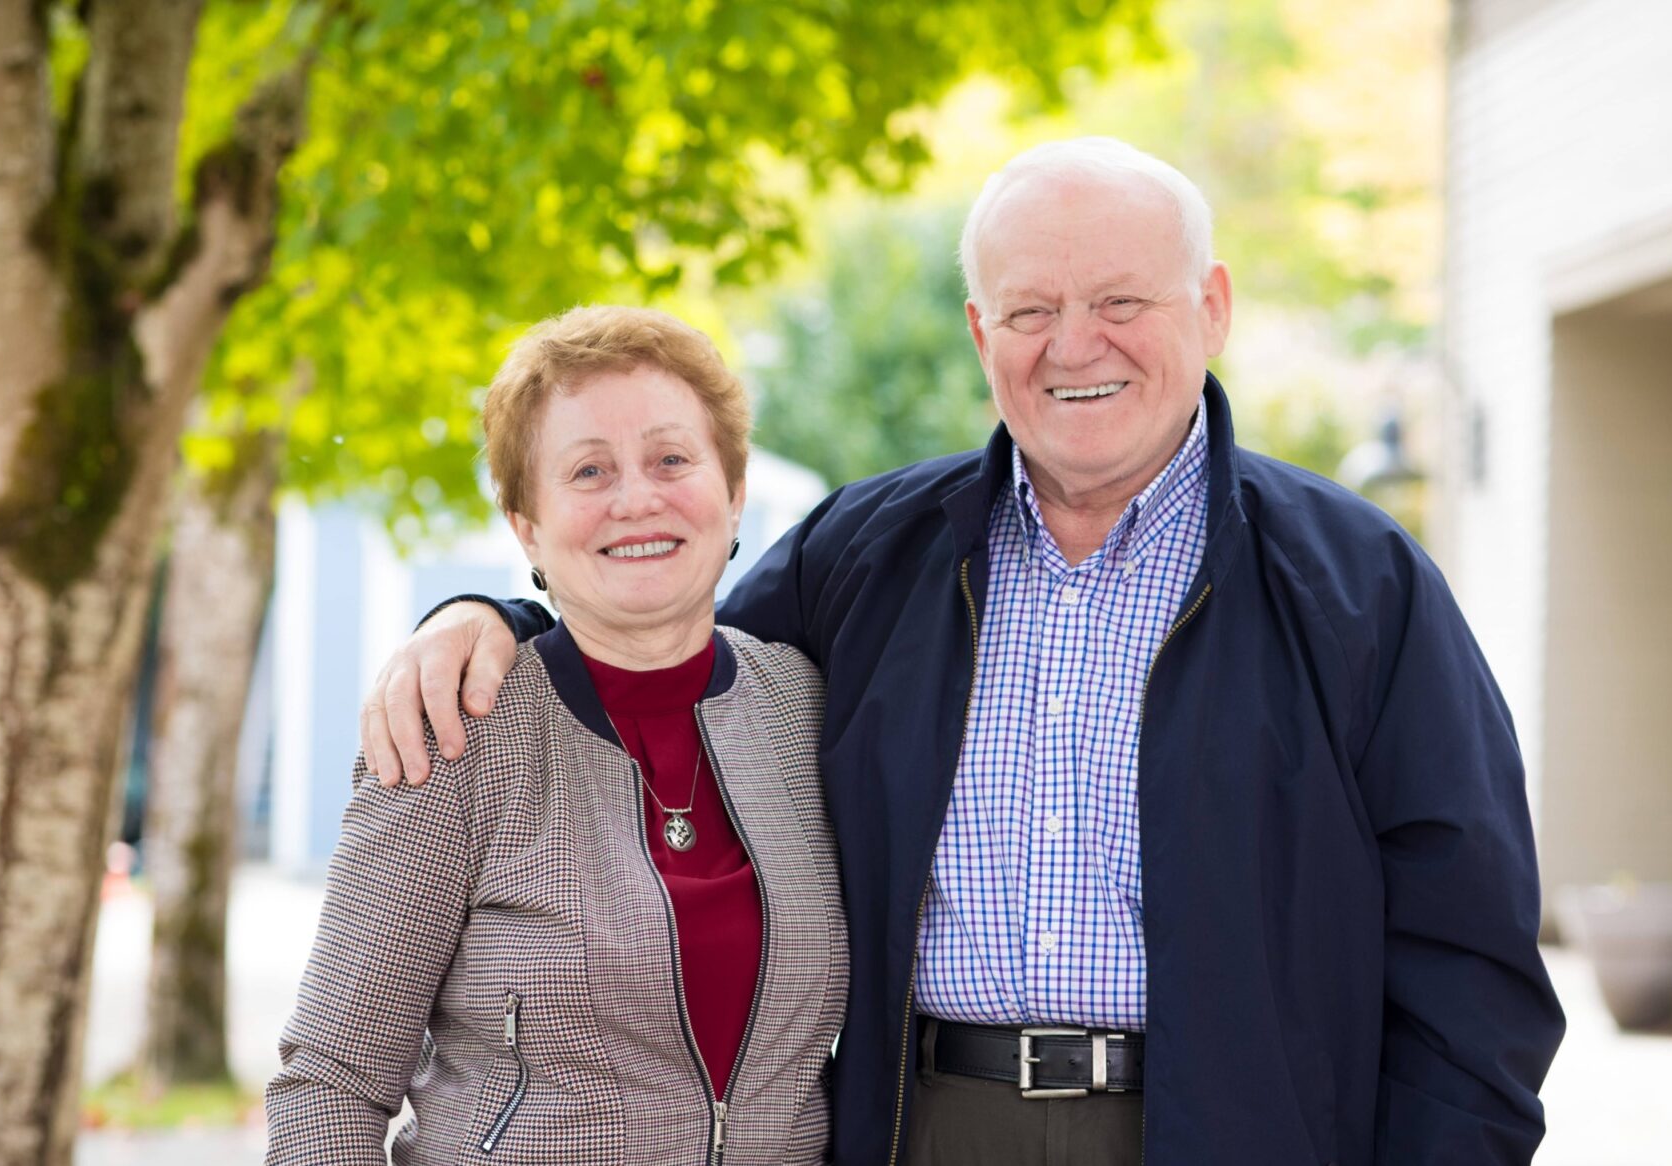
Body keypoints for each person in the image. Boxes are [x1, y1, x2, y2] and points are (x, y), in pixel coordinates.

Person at [359, 138, 1565, 1165]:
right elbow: (664, 653)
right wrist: (496, 619)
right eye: (1030, 310)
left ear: (1212, 306)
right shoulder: (869, 553)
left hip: (1233, 1129)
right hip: (922, 1123)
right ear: (982, 330)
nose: (1073, 344)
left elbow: (1472, 966)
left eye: (1121, 302)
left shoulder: (1358, 583)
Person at [264, 306, 848, 1164]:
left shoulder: (804, 708)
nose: (636, 498)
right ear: (526, 525)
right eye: (588, 471)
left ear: (732, 491)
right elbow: (332, 1085)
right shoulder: (458, 732)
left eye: (671, 459)